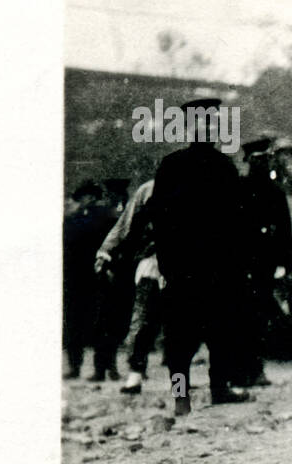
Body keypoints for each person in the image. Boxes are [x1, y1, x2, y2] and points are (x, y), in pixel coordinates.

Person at [137, 98, 252, 415]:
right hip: (182, 269)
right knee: (178, 339)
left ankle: (219, 389)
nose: (208, 128)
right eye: (201, 122)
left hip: (219, 268)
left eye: (213, 123)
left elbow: (238, 223)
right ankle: (180, 397)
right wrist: (166, 264)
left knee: (221, 333)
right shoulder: (171, 166)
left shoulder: (226, 168)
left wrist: (236, 266)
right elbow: (158, 219)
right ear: (189, 127)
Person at [95, 179, 163, 393]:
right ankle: (135, 375)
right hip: (154, 261)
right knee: (145, 319)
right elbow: (127, 222)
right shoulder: (151, 189)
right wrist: (106, 251)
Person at [239, 136, 292, 385]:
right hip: (240, 261)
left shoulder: (275, 193)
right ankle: (241, 368)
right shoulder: (238, 188)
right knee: (241, 313)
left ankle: (256, 367)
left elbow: (284, 229)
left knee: (259, 315)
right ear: (248, 160)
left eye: (265, 159)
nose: (261, 164)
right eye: (256, 160)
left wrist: (287, 262)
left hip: (264, 262)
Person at [63, 181, 118, 380]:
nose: (81, 202)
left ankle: (98, 368)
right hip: (84, 278)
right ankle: (98, 368)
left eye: (84, 197)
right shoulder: (76, 219)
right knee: (92, 324)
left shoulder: (100, 218)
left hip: (93, 277)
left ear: (91, 197)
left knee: (94, 324)